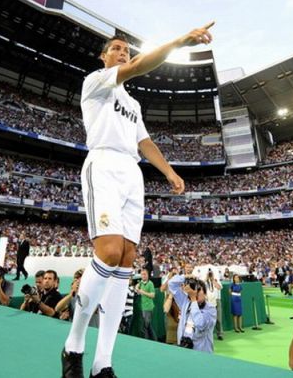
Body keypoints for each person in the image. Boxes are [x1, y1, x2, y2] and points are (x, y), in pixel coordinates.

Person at [61, 21, 214, 378]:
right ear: (103, 57)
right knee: (109, 251)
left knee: (127, 260)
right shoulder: (96, 81)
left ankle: (103, 363)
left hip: (132, 172)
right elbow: (137, 67)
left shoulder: (133, 103)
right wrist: (180, 40)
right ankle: (73, 345)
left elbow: (144, 143)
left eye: (126, 50)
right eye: (115, 49)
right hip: (103, 163)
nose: (122, 53)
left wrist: (169, 171)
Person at [168, 274, 217, 353]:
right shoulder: (186, 302)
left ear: (205, 293)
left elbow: (200, 324)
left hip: (201, 351)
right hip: (185, 347)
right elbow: (171, 284)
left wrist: (194, 299)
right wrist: (185, 277)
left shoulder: (211, 309)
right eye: (194, 290)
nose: (195, 292)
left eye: (198, 290)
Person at [136, 269, 157, 340]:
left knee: (145, 327)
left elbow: (153, 295)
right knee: (147, 326)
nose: (143, 276)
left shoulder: (150, 283)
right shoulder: (141, 283)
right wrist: (137, 288)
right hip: (142, 307)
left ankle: (147, 340)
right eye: (142, 274)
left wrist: (143, 292)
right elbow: (136, 289)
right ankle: (154, 339)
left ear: (148, 275)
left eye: (145, 274)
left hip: (148, 308)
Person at [205, 269, 224, 340]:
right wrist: (206, 278)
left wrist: (213, 280)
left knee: (218, 318)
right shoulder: (205, 282)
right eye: (209, 274)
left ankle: (220, 334)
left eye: (211, 274)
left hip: (216, 300)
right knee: (208, 319)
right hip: (208, 301)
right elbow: (201, 287)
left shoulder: (216, 280)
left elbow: (219, 287)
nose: (210, 275)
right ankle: (208, 335)